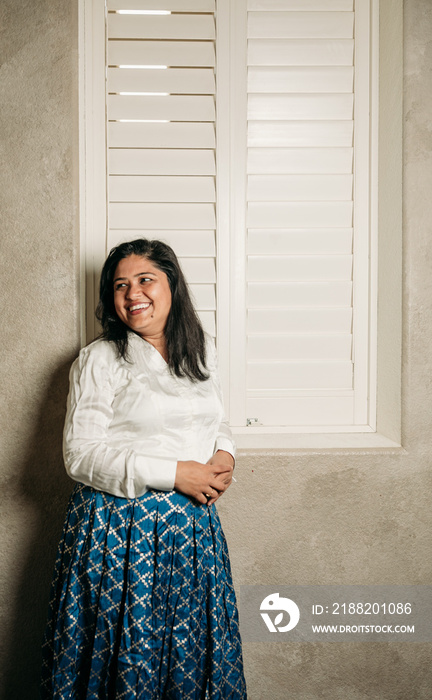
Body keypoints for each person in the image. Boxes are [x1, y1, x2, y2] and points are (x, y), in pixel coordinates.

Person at [41, 238, 247, 699]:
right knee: (124, 662)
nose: (133, 293)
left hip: (193, 535)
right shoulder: (100, 359)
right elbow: (80, 454)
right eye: (120, 285)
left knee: (187, 661)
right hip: (118, 536)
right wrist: (176, 473)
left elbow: (217, 421)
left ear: (172, 285)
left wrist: (225, 455)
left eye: (145, 279)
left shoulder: (201, 351)